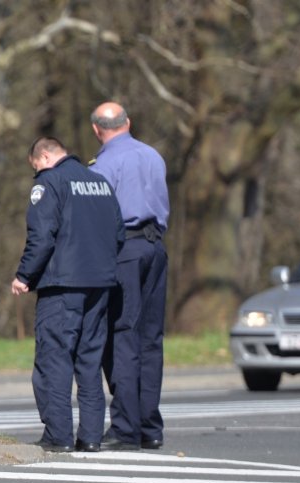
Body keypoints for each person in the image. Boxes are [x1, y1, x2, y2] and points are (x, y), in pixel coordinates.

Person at [11, 137, 125, 453]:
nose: (36, 172)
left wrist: (24, 275)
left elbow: (42, 236)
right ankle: (90, 436)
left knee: (54, 359)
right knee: (89, 360)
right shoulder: (99, 182)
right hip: (100, 285)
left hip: (61, 286)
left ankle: (58, 435)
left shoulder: (49, 182)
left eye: (35, 166)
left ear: (44, 156)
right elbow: (119, 234)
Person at [88, 101, 170, 451]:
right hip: (156, 248)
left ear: (96, 129)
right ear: (128, 122)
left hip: (126, 251)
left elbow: (97, 217)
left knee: (123, 336)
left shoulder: (104, 164)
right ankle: (150, 426)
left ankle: (124, 427)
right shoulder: (153, 155)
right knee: (151, 340)